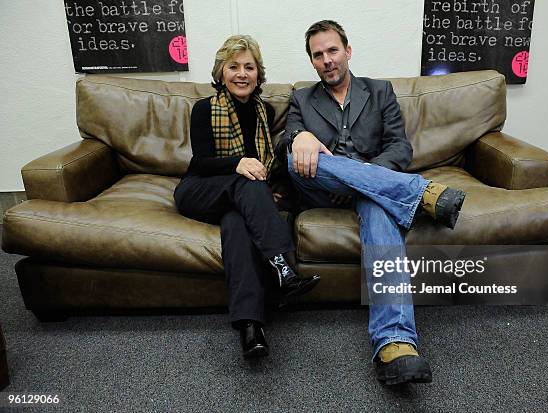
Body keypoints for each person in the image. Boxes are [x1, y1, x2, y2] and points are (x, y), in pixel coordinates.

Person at [283, 20, 466, 385]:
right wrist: (300, 135)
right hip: (323, 189)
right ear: (312, 62)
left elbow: (399, 147)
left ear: (347, 51)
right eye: (318, 55)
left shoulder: (379, 91)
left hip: (374, 194)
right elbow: (287, 146)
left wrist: (364, 175)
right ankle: (420, 193)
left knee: (378, 206)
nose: (327, 60)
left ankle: (395, 343)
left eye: (332, 51)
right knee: (294, 158)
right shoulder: (301, 99)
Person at [174, 35, 320, 359]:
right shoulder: (204, 109)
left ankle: (250, 327)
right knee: (249, 181)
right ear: (221, 73)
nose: (242, 74)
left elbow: (269, 164)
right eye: (234, 66)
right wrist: (237, 163)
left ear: (258, 74)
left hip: (241, 200)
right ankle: (283, 267)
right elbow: (200, 162)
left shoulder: (265, 111)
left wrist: (278, 186)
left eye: (249, 67)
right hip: (201, 189)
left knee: (238, 225)